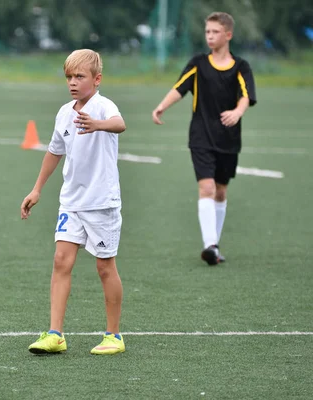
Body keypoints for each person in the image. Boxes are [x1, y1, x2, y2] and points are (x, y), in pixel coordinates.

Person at [21, 49, 127, 356]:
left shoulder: (104, 106)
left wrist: (98, 124)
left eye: (79, 76)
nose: (72, 82)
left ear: (96, 79)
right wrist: (37, 189)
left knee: (105, 268)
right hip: (71, 202)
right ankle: (55, 334)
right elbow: (54, 151)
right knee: (60, 261)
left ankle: (114, 335)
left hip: (101, 203)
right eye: (69, 76)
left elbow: (120, 124)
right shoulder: (64, 112)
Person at [151, 12, 256, 266]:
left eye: (215, 32)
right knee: (206, 187)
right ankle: (210, 244)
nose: (210, 36)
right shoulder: (198, 63)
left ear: (228, 35)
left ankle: (214, 247)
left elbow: (246, 95)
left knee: (220, 191)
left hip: (228, 138)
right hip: (200, 136)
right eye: (207, 32)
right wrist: (162, 106)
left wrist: (237, 112)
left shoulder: (240, 66)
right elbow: (180, 88)